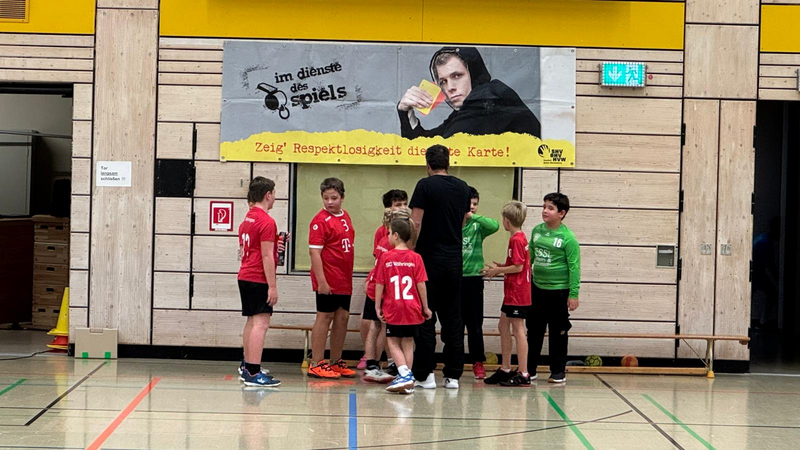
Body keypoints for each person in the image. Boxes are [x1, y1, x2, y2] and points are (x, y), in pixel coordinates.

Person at [409, 144, 471, 390]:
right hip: (454, 260)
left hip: (428, 260)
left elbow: (415, 222)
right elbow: (463, 220)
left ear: (427, 165)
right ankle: (453, 375)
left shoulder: (424, 185)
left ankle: (425, 374)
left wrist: (410, 250)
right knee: (453, 317)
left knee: (425, 315)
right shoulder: (463, 187)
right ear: (448, 163)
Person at [397, 47, 541, 139]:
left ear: (474, 74)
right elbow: (427, 145)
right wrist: (405, 110)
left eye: (457, 76)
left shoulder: (489, 96)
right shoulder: (466, 110)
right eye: (443, 81)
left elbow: (439, 150)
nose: (449, 87)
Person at [527, 193, 581, 384]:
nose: (545, 211)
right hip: (537, 288)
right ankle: (529, 369)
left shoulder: (568, 237)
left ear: (561, 213)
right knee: (534, 330)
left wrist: (573, 294)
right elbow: (529, 257)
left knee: (558, 331)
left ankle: (558, 371)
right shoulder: (537, 231)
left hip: (558, 291)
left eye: (550, 208)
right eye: (544, 207)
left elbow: (574, 267)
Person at [375, 217, 432, 394]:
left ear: (396, 235)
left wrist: (377, 306)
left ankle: (405, 374)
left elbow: (380, 283)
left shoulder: (386, 257)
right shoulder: (416, 258)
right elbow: (421, 284)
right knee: (408, 342)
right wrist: (425, 307)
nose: (388, 236)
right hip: (412, 307)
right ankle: (407, 380)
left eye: (389, 233)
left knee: (392, 340)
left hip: (394, 307)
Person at [307, 178, 357, 379]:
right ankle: (316, 362)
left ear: (342, 197)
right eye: (326, 198)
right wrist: (322, 281)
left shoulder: (346, 216)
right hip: (328, 278)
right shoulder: (319, 221)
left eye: (334, 198)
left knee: (342, 317)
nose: (329, 202)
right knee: (324, 317)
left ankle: (336, 361)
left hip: (344, 278)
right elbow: (314, 253)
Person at [236, 176, 281, 387]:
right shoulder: (267, 221)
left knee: (252, 321)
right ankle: (253, 372)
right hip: (258, 277)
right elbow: (266, 256)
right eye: (274, 194)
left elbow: (251, 248)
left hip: (245, 275)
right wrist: (272, 286)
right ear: (268, 195)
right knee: (261, 324)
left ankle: (247, 366)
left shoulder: (247, 219)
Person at [481, 201, 531, 387]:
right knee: (503, 326)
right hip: (512, 292)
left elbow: (518, 267)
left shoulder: (517, 240)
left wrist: (498, 271)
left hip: (518, 292)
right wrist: (503, 266)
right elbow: (517, 263)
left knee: (518, 330)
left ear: (507, 220)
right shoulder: (518, 238)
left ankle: (523, 373)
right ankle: (505, 368)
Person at [358, 189, 409, 371]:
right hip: (383, 286)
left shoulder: (403, 234)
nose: (403, 208)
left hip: (388, 286)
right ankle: (376, 361)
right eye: (398, 205)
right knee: (380, 325)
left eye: (405, 204)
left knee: (382, 326)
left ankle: (385, 362)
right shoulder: (387, 238)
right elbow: (381, 264)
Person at [461, 186, 499, 379]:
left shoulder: (477, 225)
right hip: (455, 279)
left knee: (475, 325)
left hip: (474, 280)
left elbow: (494, 226)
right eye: (469, 204)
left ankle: (478, 362)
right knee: (455, 325)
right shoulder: (451, 224)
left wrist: (472, 216)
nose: (472, 207)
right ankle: (455, 362)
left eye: (475, 204)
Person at [362, 208, 395, 383]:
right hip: (379, 289)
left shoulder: (383, 240)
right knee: (379, 327)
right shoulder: (390, 244)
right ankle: (374, 363)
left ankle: (374, 363)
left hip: (376, 287)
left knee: (377, 327)